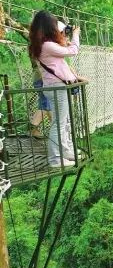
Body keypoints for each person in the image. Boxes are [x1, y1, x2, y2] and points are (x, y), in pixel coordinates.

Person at [28, 11, 84, 168]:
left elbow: (61, 54)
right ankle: (55, 159)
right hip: (56, 87)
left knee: (63, 121)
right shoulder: (47, 46)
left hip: (55, 86)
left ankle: (65, 152)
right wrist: (76, 35)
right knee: (59, 123)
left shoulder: (43, 45)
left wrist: (63, 38)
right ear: (48, 26)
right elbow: (73, 51)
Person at [29, 61, 52, 138]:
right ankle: (32, 128)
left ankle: (58, 130)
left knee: (47, 104)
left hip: (40, 77)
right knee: (45, 105)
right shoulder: (40, 51)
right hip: (41, 78)